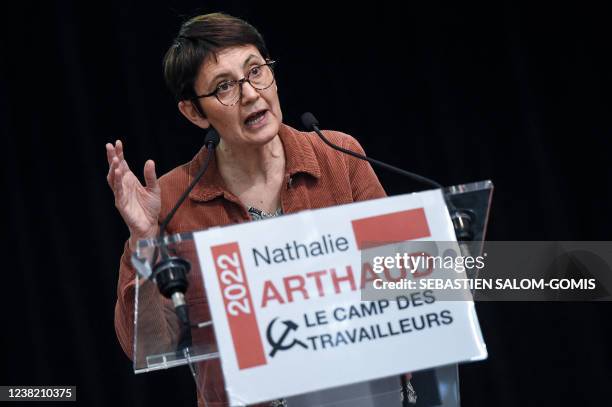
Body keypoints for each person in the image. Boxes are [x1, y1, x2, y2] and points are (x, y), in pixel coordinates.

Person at [106, 12, 387, 407]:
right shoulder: (171, 200)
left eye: (256, 71)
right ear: (193, 112)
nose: (252, 93)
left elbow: (406, 285)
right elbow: (148, 346)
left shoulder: (338, 157)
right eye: (225, 87)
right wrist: (143, 242)